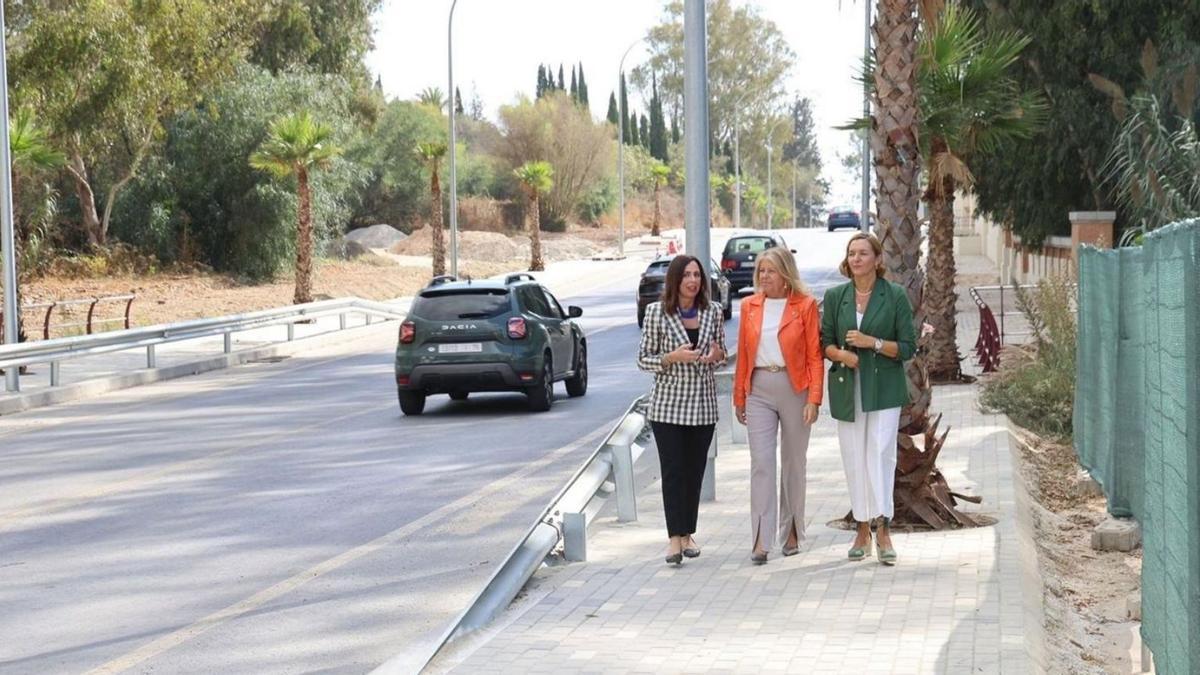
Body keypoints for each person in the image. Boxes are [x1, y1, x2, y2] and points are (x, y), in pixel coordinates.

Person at [821, 232, 916, 566]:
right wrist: (843, 357)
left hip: (884, 388)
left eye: (863, 253)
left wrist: (871, 342)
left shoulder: (895, 296)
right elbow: (825, 343)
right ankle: (861, 528)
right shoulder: (836, 297)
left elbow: (907, 348)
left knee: (880, 453)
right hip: (848, 388)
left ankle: (883, 527)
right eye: (851, 253)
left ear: (878, 259)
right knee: (854, 456)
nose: (856, 259)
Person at [733, 246, 823, 565]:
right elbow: (744, 353)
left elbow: (815, 355)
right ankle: (761, 537)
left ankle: (793, 530)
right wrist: (739, 396)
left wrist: (814, 398)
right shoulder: (749, 306)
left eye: (771, 271)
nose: (764, 277)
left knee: (794, 463)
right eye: (761, 271)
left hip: (795, 387)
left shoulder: (805, 306)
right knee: (762, 463)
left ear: (785, 275)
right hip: (758, 388)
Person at [637, 255, 728, 565]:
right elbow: (643, 359)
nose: (693, 280)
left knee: (694, 473)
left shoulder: (713, 311)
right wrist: (671, 357)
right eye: (687, 275)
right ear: (675, 280)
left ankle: (688, 533)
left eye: (697, 275)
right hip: (668, 408)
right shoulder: (656, 313)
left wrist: (716, 354)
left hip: (703, 406)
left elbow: (722, 352)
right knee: (673, 472)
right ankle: (674, 539)